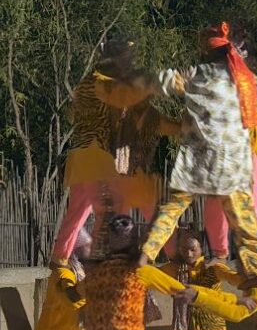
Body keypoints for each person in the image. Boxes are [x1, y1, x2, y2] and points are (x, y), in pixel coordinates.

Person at [139, 21, 257, 283]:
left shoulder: (196, 75)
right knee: (244, 219)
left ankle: (145, 255)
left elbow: (162, 81)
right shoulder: (246, 81)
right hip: (231, 163)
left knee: (172, 209)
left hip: (198, 160)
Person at [52, 38, 180, 265]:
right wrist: (162, 83)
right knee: (110, 210)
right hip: (98, 159)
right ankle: (106, 265)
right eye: (126, 56)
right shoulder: (99, 84)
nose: (130, 61)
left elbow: (152, 118)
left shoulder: (98, 85)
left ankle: (60, 263)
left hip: (92, 161)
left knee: (79, 215)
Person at [203, 32, 257, 258]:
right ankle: (219, 258)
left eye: (241, 50)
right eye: (231, 50)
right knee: (215, 213)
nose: (236, 54)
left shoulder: (256, 82)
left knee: (249, 213)